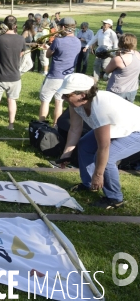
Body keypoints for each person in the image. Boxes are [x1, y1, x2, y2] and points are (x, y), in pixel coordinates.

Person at [58, 74, 140, 209]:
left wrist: (98, 174)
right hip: (117, 126)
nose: (63, 98)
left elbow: (104, 147)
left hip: (136, 130)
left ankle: (114, 198)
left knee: (107, 159)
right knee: (84, 145)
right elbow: (75, 129)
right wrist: (67, 154)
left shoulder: (100, 108)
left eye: (67, 95)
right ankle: (89, 184)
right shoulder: (76, 103)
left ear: (82, 95)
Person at [0, 16, 26, 131]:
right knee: (12, 101)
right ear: (16, 26)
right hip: (14, 76)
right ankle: (11, 126)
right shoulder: (21, 39)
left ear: (5, 25)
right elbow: (22, 53)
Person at [38, 17, 81, 125]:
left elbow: (48, 55)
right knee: (59, 102)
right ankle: (56, 125)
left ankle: (41, 124)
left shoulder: (58, 41)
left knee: (45, 100)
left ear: (62, 27)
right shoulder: (77, 41)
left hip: (54, 75)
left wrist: (48, 47)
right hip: (67, 77)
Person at [105, 34, 140, 102]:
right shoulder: (138, 54)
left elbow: (107, 70)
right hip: (132, 90)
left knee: (113, 111)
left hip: (117, 91)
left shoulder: (119, 59)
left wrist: (115, 57)